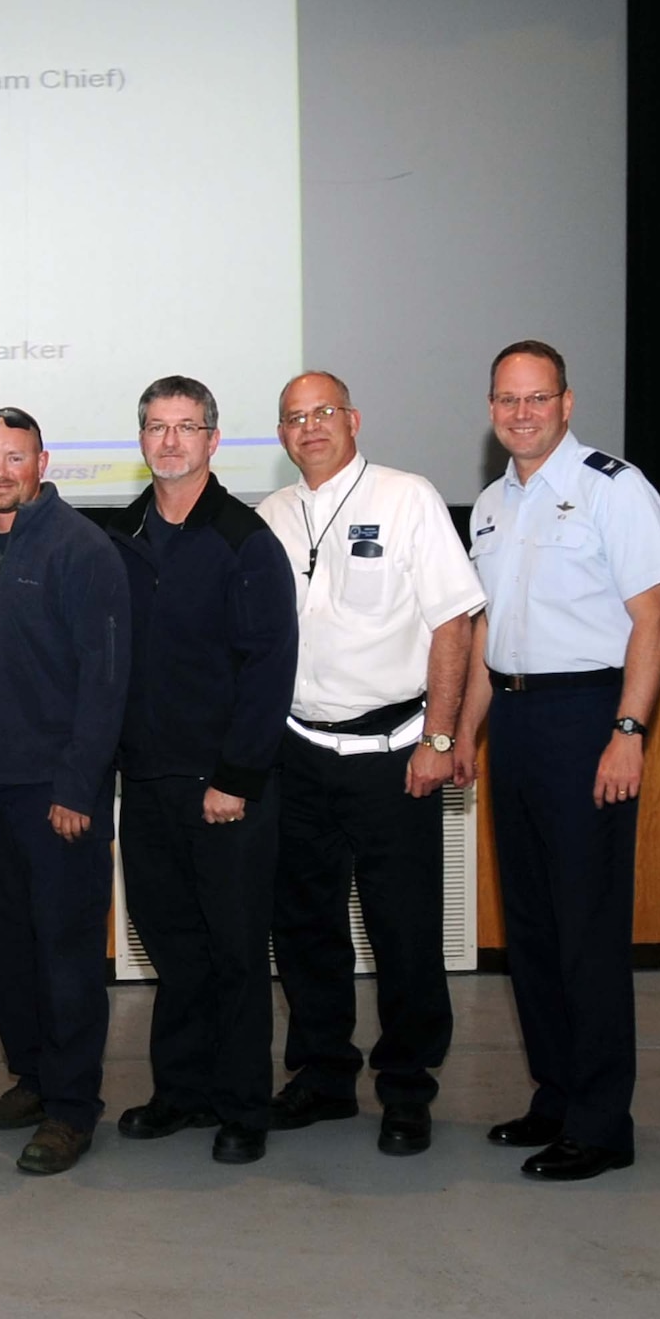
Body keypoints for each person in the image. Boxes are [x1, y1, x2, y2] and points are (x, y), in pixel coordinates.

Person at [456, 340, 660, 1181]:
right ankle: (554, 1096)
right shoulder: (490, 504)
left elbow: (652, 619)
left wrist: (629, 730)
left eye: (536, 398)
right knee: (535, 928)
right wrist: (466, 737)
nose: (521, 413)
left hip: (588, 716)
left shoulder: (612, 490)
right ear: (491, 409)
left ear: (567, 403)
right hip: (512, 718)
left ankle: (601, 1122)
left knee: (586, 930)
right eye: (507, 400)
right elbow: (486, 634)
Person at [256, 373, 484, 1158]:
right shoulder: (270, 516)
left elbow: (453, 622)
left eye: (323, 413)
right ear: (281, 434)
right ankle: (323, 1077)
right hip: (298, 752)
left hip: (397, 755)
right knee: (305, 928)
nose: (310, 427)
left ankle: (407, 1088)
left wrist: (442, 739)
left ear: (352, 420)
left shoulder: (407, 496)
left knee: (405, 931)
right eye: (294, 418)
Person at [107, 376, 297, 1165]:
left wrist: (236, 778)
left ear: (214, 441)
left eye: (187, 427)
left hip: (224, 789)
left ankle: (242, 1107)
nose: (171, 441)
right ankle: (179, 1092)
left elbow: (268, 668)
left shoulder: (246, 540)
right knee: (173, 948)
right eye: (157, 426)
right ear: (143, 440)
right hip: (145, 784)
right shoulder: (122, 536)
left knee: (234, 950)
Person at [0, 407, 128, 1176]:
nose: (1, 471)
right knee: (8, 952)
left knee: (66, 955)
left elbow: (106, 681)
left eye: (15, 457)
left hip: (56, 795)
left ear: (42, 461)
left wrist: (78, 786)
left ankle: (73, 1107)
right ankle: (32, 1078)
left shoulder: (83, 549)